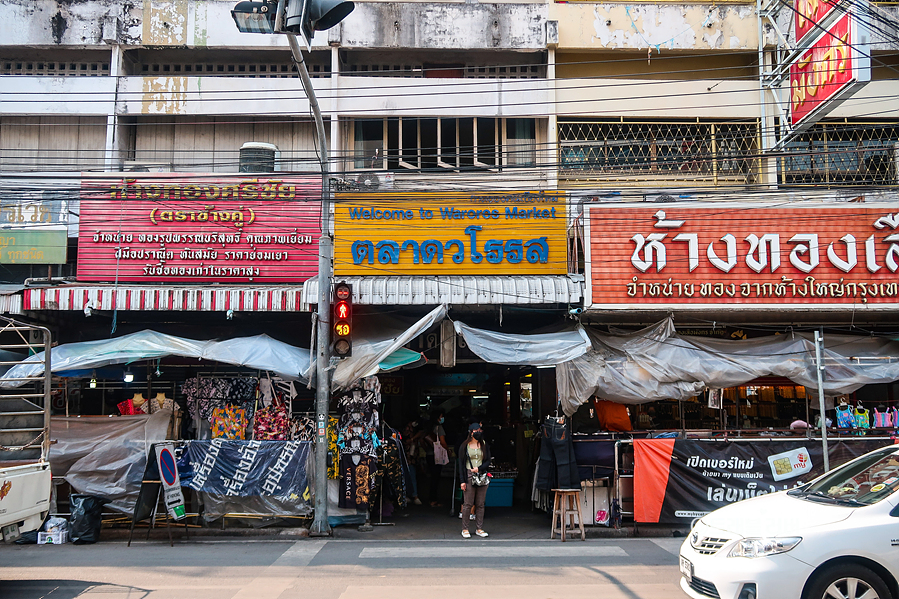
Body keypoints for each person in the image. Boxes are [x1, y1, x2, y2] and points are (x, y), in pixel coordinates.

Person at [458, 422, 491, 538]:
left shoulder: (484, 444)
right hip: (469, 474)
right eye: (476, 431)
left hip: (481, 474)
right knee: (468, 503)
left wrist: (480, 468)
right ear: (471, 433)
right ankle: (465, 528)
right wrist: (462, 481)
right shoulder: (464, 446)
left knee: (480, 504)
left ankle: (479, 528)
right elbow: (461, 464)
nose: (478, 433)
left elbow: (488, 460)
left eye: (480, 430)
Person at [425, 411, 449, 507]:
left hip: (429, 454)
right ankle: (433, 500)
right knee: (436, 477)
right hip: (437, 456)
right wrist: (447, 450)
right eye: (441, 416)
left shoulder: (429, 427)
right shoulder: (439, 428)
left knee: (432, 477)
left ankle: (432, 498)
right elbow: (442, 442)